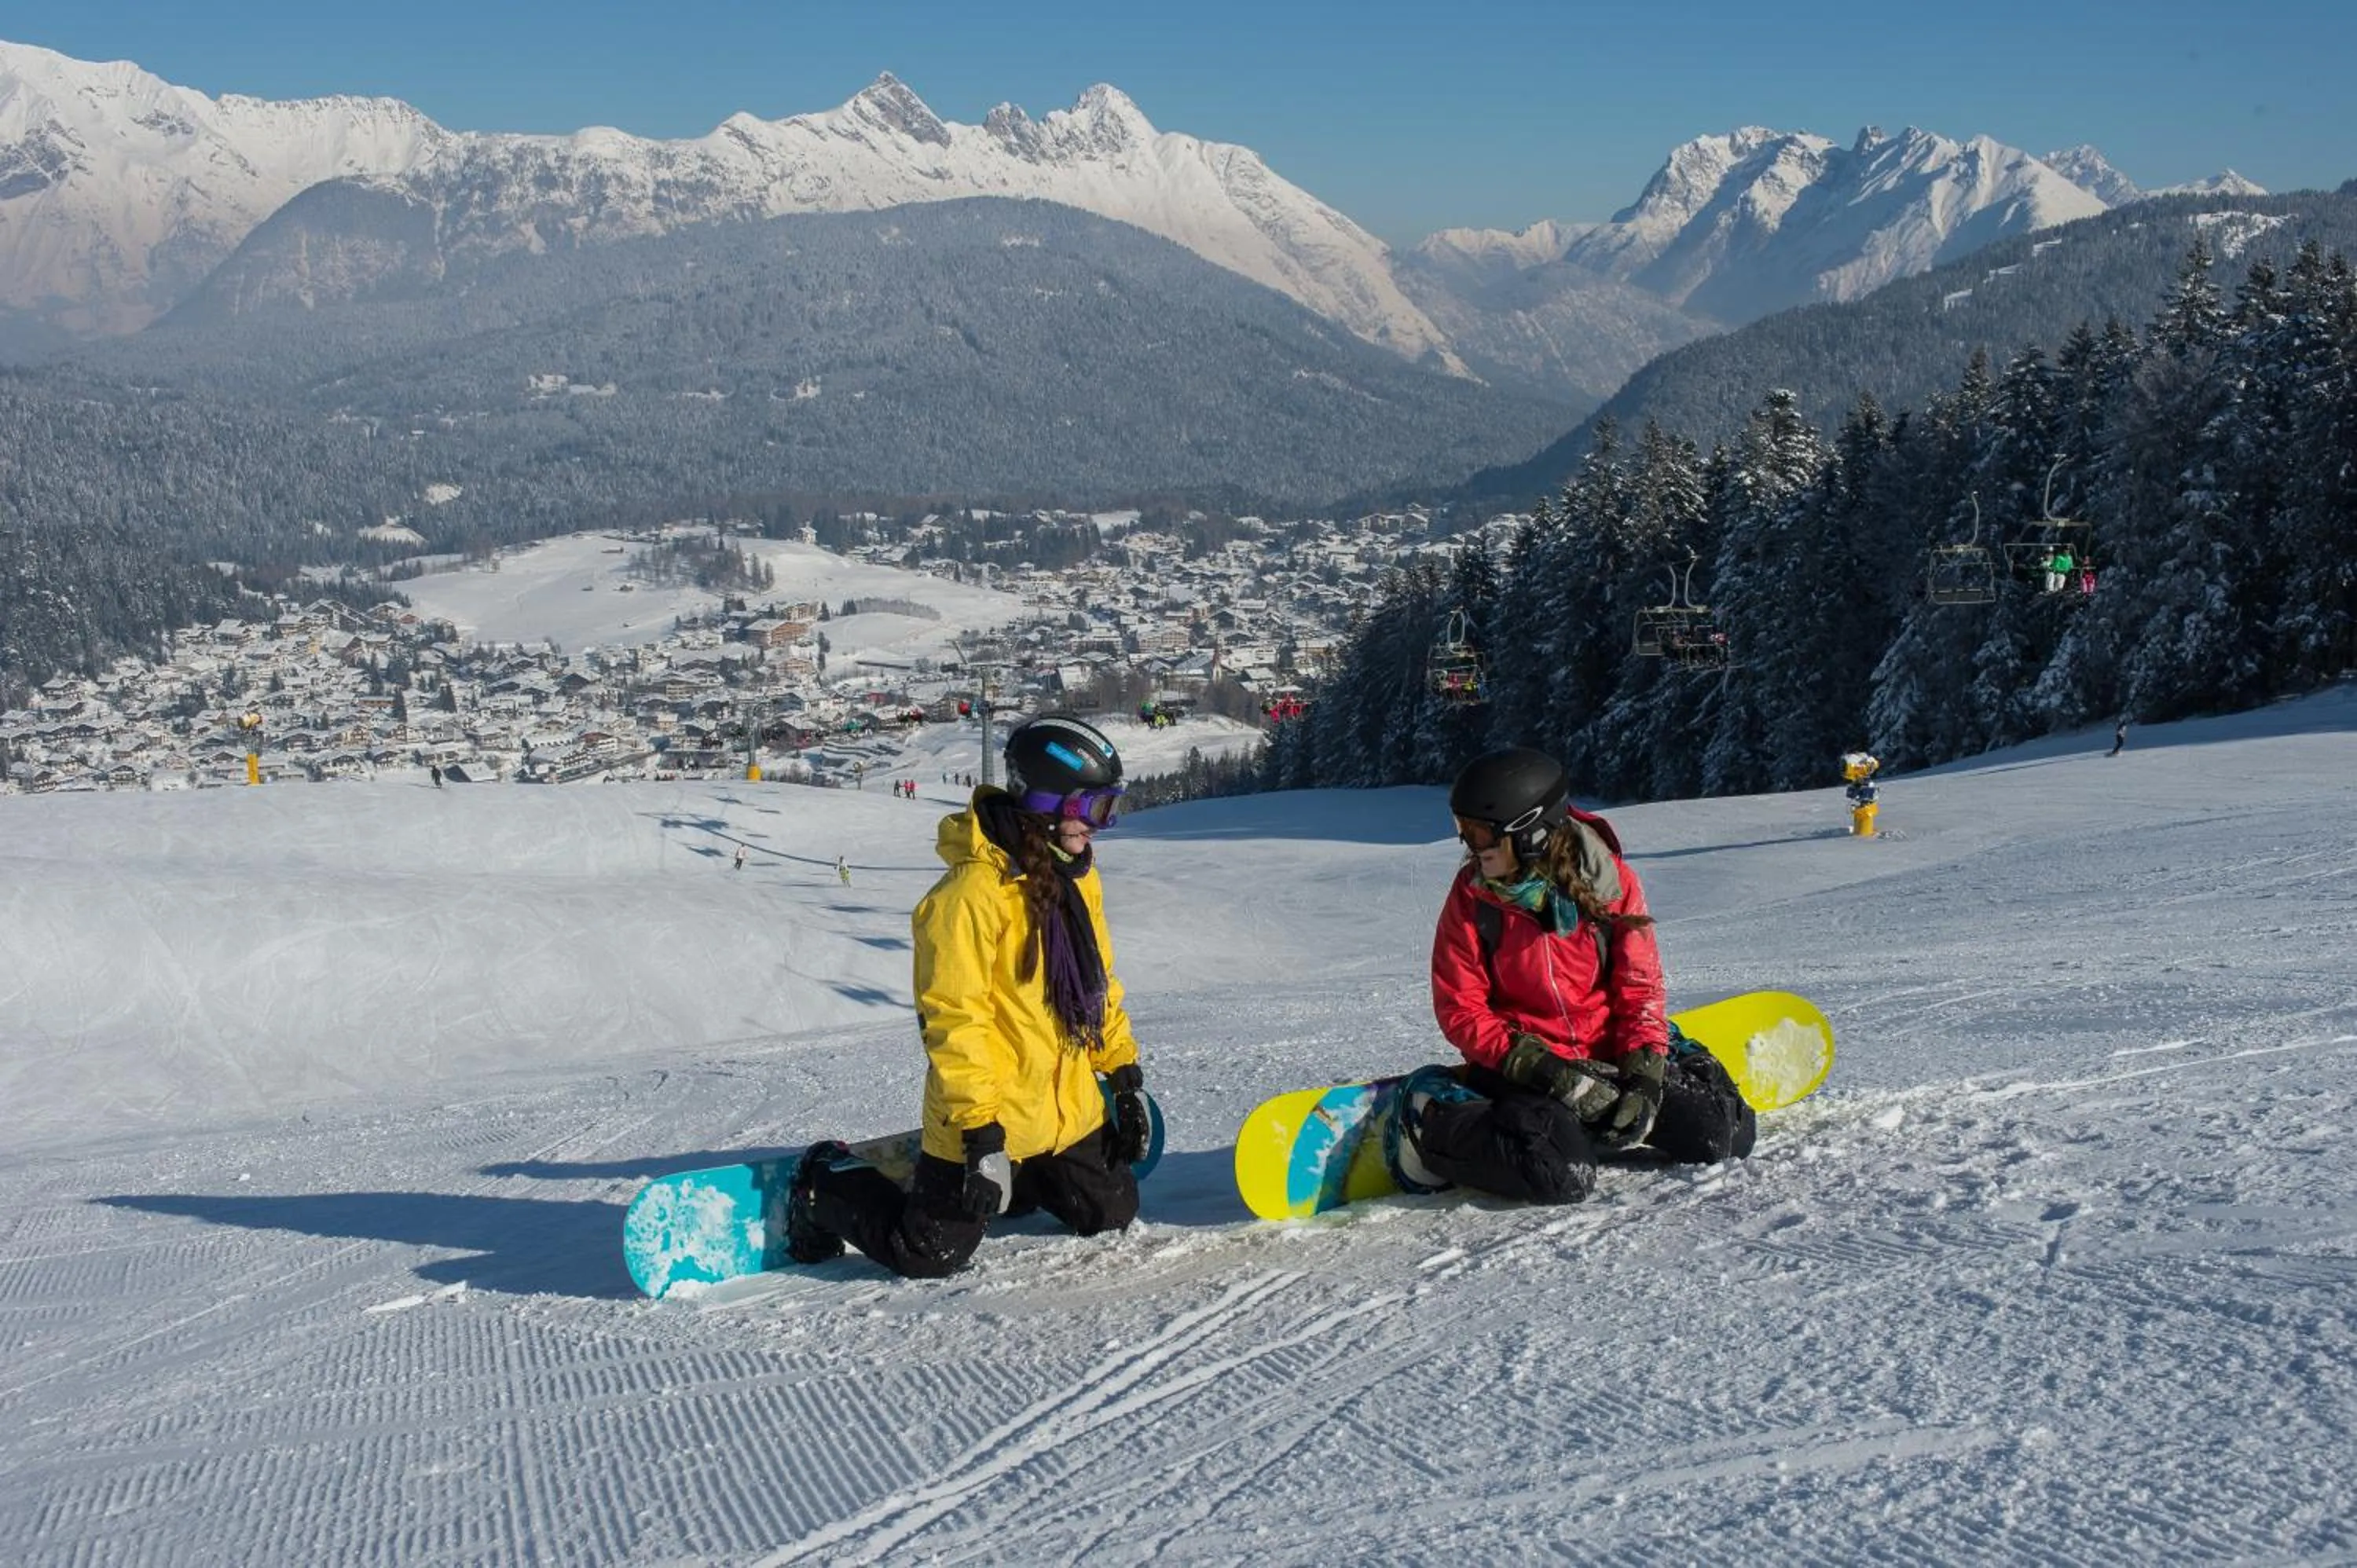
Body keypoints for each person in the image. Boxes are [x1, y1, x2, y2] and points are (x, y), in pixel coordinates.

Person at [789, 716, 1152, 1277]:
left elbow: (1097, 983)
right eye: (1091, 809)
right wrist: (981, 1133)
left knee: (1110, 1215)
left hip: (1066, 1108)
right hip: (990, 1112)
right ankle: (826, 1181)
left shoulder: (1078, 878)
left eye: (1108, 808)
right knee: (927, 1253)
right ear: (1045, 803)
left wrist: (1121, 1073)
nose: (1098, 827)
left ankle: (1026, 1177)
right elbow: (956, 1026)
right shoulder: (967, 898)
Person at [1396, 746, 1754, 1206]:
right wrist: (1545, 1070)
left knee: (1721, 1138)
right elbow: (1460, 1008)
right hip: (1523, 1064)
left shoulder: (1612, 885)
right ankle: (1433, 1117)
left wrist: (1644, 1075)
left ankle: (1674, 1059)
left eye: (1482, 833)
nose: (1471, 846)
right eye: (1465, 831)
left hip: (1604, 1054)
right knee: (1557, 1174)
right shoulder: (1473, 899)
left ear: (1530, 833)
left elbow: (1638, 989)